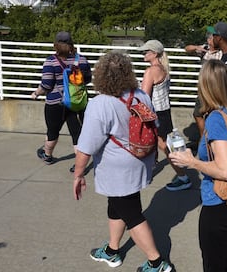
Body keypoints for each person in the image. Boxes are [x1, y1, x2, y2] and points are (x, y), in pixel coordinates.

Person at [72, 51, 173, 272]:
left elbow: (86, 146)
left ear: (101, 75)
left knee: (132, 215)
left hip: (117, 169)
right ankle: (112, 249)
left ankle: (156, 263)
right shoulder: (140, 95)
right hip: (140, 160)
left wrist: (78, 174)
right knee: (117, 205)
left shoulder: (100, 103)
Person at [168, 60, 227, 272]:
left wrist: (192, 162)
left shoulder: (215, 119)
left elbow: (225, 171)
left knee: (216, 266)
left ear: (206, 87)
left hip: (219, 203)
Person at [31, 31, 91, 168]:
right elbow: (87, 79)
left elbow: (46, 85)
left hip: (55, 103)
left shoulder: (51, 61)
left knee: (52, 132)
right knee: (76, 133)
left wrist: (36, 93)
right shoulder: (81, 60)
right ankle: (79, 165)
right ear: (71, 44)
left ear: (56, 45)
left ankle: (47, 156)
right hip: (76, 102)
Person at [139, 39, 191, 192]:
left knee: (162, 146)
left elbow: (144, 97)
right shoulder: (164, 68)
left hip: (153, 113)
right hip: (164, 112)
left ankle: (183, 177)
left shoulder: (150, 71)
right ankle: (154, 170)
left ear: (154, 53)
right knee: (159, 144)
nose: (143, 53)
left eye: (146, 51)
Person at [191, 21, 227, 137]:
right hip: (213, 96)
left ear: (219, 38)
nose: (211, 38)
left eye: (214, 35)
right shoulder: (225, 56)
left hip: (223, 102)